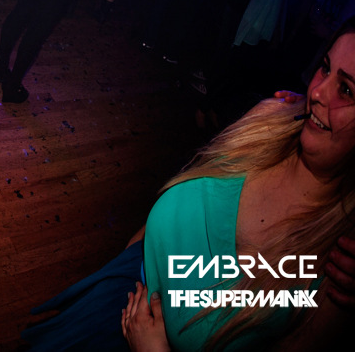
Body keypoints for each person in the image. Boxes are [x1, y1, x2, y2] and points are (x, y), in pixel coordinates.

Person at [21, 20, 355, 351]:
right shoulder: (267, 123)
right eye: (325, 68)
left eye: (347, 90)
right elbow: (190, 190)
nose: (317, 92)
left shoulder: (342, 263)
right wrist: (125, 268)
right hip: (110, 299)